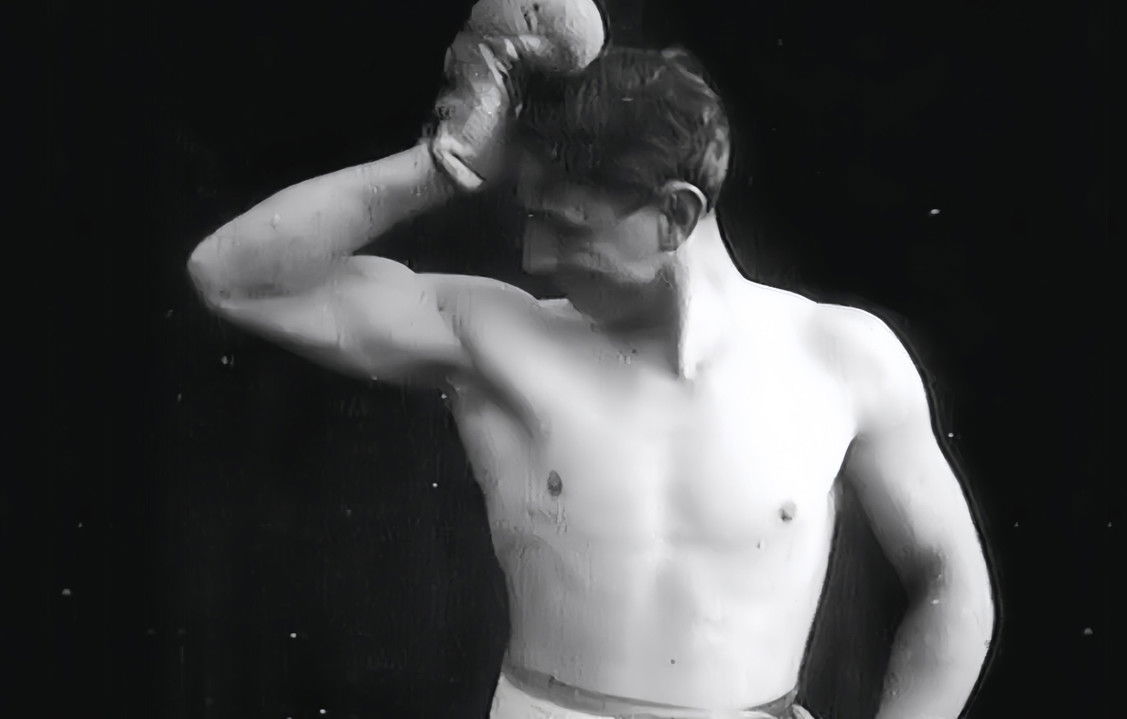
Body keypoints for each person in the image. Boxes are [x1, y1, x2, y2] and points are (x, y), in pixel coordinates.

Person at [186, 12, 995, 719]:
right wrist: (443, 163)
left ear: (675, 213)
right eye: (530, 218)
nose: (535, 256)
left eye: (568, 227)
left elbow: (952, 579)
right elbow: (231, 276)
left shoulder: (844, 360)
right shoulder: (493, 336)